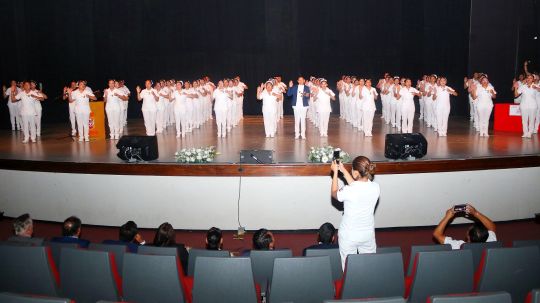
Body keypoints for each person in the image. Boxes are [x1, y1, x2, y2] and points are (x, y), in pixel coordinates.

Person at [331, 156, 380, 269]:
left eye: (352, 169)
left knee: (349, 269)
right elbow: (356, 186)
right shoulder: (376, 187)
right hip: (368, 235)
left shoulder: (349, 190)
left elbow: (334, 193)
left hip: (349, 235)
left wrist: (335, 173)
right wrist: (343, 171)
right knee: (369, 267)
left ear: (356, 172)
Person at [432, 204, 497, 249]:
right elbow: (492, 227)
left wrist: (448, 216)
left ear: (468, 237)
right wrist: (475, 213)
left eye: (469, 229)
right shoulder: (491, 242)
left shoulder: (459, 246)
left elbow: (437, 234)